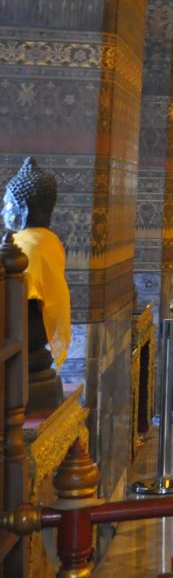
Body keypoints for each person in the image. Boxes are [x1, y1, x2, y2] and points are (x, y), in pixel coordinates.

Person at [3, 158, 70, 408]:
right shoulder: (48, 239)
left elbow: (15, 300)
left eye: (7, 204)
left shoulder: (22, 245)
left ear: (23, 208)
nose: (3, 211)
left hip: (27, 338)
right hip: (39, 339)